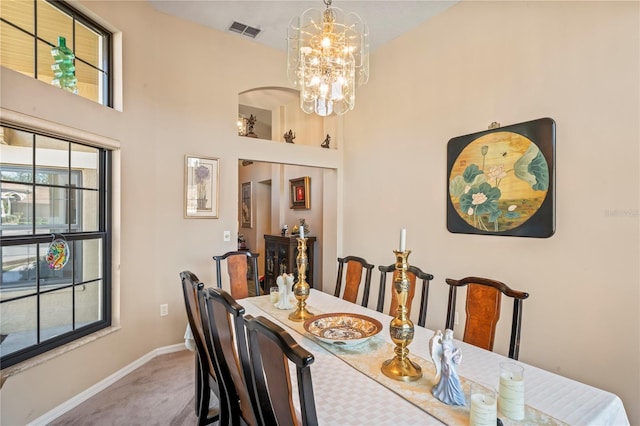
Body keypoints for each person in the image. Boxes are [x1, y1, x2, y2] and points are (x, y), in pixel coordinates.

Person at [431, 329, 465, 405]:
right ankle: (453, 397)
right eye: (451, 335)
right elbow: (447, 357)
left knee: (448, 380)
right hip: (447, 365)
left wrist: (455, 350)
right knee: (454, 379)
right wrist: (455, 352)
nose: (452, 337)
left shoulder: (448, 342)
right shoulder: (445, 344)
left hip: (449, 364)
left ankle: (445, 394)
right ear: (448, 336)